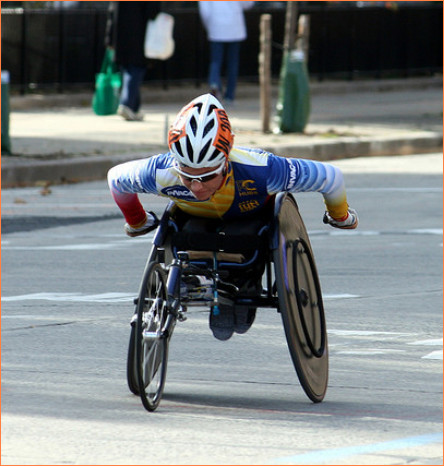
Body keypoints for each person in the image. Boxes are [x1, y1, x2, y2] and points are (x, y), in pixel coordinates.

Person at [108, 94, 358, 340]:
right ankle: (200, 278)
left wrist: (340, 215)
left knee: (246, 237)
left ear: (226, 159)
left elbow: (330, 177)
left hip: (251, 219)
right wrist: (137, 220)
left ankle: (244, 281)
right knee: (186, 234)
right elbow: (116, 179)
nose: (196, 187)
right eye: (187, 176)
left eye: (207, 177)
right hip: (194, 222)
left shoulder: (264, 170)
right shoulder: (158, 171)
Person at [105, 1, 161, 121]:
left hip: (121, 34)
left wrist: (109, 37)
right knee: (136, 69)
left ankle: (134, 108)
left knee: (127, 69)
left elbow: (112, 11)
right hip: (140, 34)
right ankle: (127, 104)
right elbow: (153, 11)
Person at [198, 1, 254, 104]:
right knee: (232, 63)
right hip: (234, 27)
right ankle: (230, 95)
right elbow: (248, 4)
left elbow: (204, 11)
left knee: (216, 61)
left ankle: (214, 83)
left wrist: (209, 26)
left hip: (216, 27)